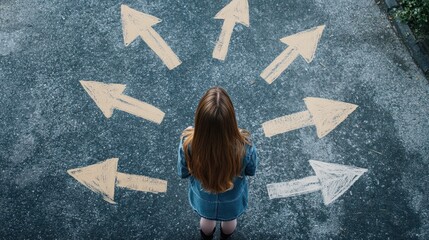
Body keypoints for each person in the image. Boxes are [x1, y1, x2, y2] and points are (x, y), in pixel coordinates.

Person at [177, 87, 258, 240]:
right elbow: (251, 170)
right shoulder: (245, 146)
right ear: (231, 120)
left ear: (200, 119)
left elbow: (183, 171)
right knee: (230, 220)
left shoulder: (188, 142)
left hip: (204, 197)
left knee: (206, 220)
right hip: (232, 198)